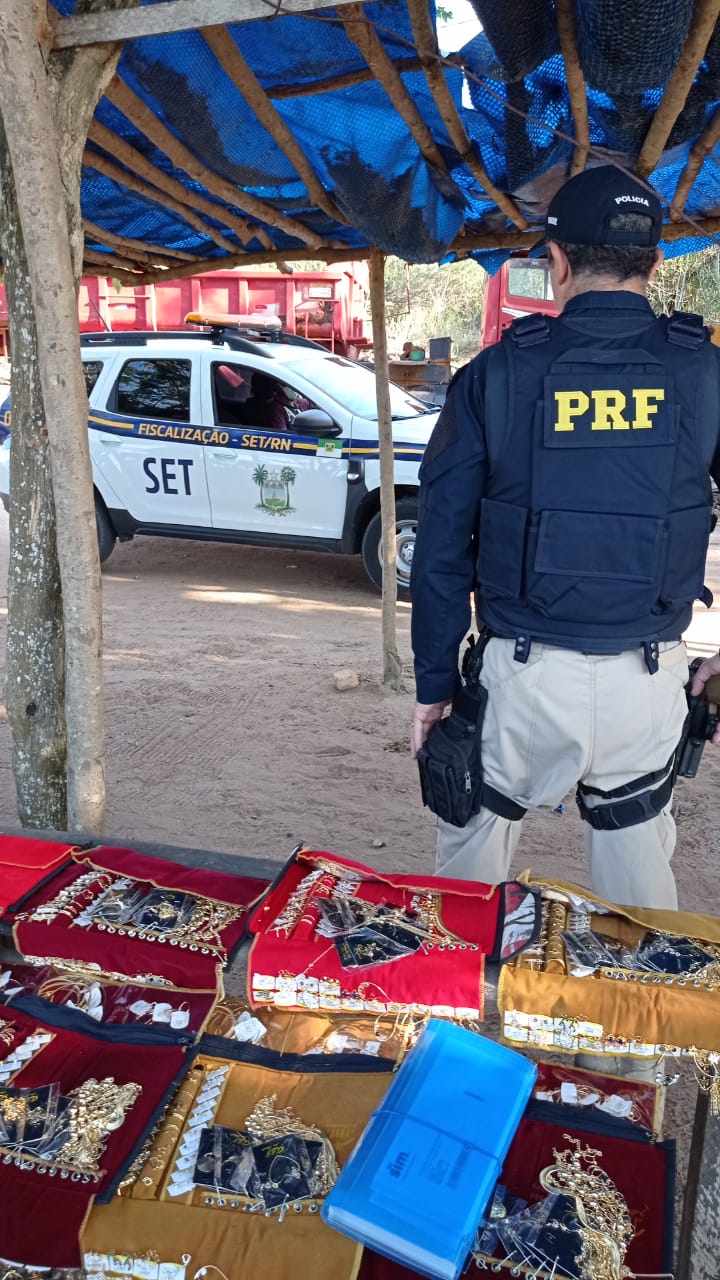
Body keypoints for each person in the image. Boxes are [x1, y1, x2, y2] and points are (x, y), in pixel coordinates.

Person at [410, 165, 720, 911]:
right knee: (641, 911)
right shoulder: (707, 373)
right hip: (647, 681)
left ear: (554, 262)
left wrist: (433, 689)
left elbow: (441, 548)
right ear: (656, 263)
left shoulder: (494, 375)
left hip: (520, 683)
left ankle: (459, 978)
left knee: (465, 897)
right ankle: (641, 984)